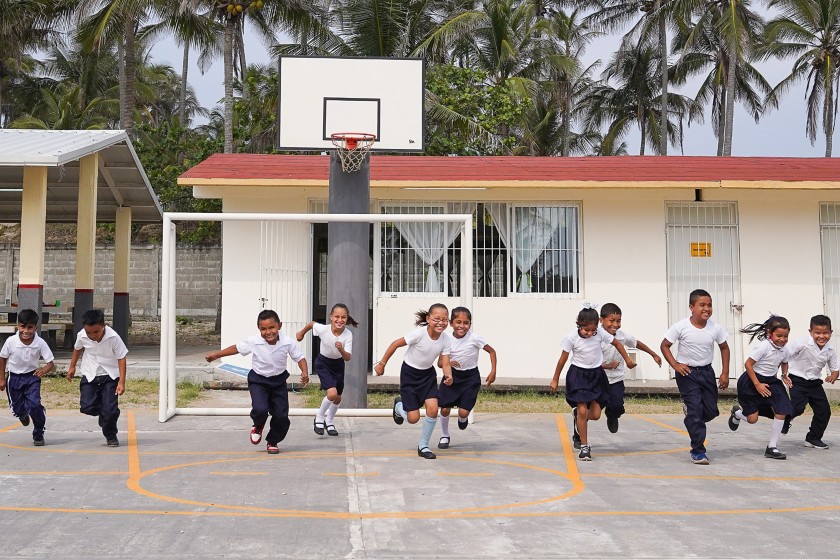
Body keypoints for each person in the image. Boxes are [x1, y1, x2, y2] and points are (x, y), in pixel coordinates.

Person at [205, 309, 309, 454]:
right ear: (259, 329)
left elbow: (300, 358)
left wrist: (304, 372)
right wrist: (216, 355)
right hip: (258, 380)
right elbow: (236, 348)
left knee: (281, 416)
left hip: (278, 381)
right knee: (260, 409)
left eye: (271, 327)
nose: (268, 332)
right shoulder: (254, 341)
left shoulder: (287, 342)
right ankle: (258, 425)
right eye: (263, 329)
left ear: (279, 325)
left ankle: (272, 441)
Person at [550, 304, 637, 461]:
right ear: (578, 324)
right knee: (583, 410)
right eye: (586, 330)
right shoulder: (571, 337)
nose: (590, 333)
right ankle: (584, 447)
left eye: (593, 330)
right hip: (578, 375)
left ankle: (579, 416)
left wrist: (628, 360)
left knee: (596, 415)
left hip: (597, 376)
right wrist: (555, 378)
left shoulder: (600, 334)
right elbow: (562, 359)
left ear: (598, 325)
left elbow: (617, 343)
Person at [374, 303, 453, 460]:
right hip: (409, 375)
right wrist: (382, 364)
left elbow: (445, 362)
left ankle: (423, 445)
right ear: (428, 319)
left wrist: (448, 375)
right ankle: (398, 406)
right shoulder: (419, 334)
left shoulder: (446, 340)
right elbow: (395, 344)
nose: (441, 322)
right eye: (437, 319)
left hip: (428, 376)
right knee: (413, 418)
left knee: (433, 408)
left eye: (445, 320)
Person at [660, 289, 730, 465]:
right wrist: (675, 364)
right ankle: (698, 451)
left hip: (706, 372)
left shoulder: (716, 328)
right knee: (696, 412)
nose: (706, 308)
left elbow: (724, 348)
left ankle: (692, 414)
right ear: (692, 307)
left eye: (709, 305)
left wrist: (725, 373)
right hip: (687, 373)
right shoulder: (681, 326)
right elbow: (665, 345)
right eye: (702, 305)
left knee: (711, 411)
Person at [728, 315, 794, 460]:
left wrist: (784, 374)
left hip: (772, 382)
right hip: (752, 381)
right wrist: (757, 384)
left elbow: (784, 361)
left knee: (782, 410)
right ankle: (737, 414)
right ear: (770, 333)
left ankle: (772, 447)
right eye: (779, 335)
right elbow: (748, 364)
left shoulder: (785, 349)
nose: (782, 339)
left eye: (786, 336)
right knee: (752, 419)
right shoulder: (764, 346)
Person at [595, 303, 662, 441]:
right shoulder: (595, 336)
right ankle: (578, 433)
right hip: (598, 378)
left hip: (616, 379)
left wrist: (653, 354)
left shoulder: (622, 336)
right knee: (590, 410)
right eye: (611, 321)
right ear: (601, 320)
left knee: (617, 406)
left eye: (618, 321)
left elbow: (637, 343)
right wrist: (606, 366)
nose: (615, 324)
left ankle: (612, 415)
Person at [434, 306, 496, 450]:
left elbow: (492, 352)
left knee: (463, 411)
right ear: (451, 323)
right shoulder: (445, 339)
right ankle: (444, 435)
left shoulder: (475, 338)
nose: (462, 326)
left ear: (470, 324)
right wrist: (448, 363)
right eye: (458, 322)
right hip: (452, 376)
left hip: (470, 378)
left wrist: (493, 371)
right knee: (444, 409)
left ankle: (463, 418)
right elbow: (439, 363)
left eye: (466, 323)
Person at [66, 309, 128, 447]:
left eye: (96, 332)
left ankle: (111, 436)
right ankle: (104, 414)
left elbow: (121, 358)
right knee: (86, 407)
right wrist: (72, 367)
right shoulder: (82, 335)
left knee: (110, 410)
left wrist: (122, 382)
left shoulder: (114, 337)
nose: (92, 336)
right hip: (90, 374)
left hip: (110, 376)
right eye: (89, 332)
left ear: (104, 326)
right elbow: (77, 349)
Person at [296, 303, 357, 437]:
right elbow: (312, 324)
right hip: (323, 363)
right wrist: (301, 333)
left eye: (343, 317)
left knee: (337, 398)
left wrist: (341, 349)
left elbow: (347, 358)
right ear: (331, 317)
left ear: (347, 319)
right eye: (336, 317)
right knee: (332, 394)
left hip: (338, 364)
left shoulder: (348, 335)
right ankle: (319, 417)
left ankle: (329, 421)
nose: (340, 320)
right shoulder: (324, 329)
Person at [0, 309, 54, 446]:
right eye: (23, 327)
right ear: (18, 326)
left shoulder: (40, 342)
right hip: (14, 378)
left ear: (36, 327)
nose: (26, 331)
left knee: (35, 405)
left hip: (32, 378)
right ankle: (22, 414)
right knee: (17, 408)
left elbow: (50, 363)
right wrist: (1, 378)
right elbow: (2, 358)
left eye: (30, 327)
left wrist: (43, 370)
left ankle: (38, 433)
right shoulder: (11, 341)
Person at [784, 315, 839, 450]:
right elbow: (784, 355)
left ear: (831, 333)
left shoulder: (830, 351)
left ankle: (813, 438)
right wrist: (784, 373)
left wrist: (833, 376)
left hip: (814, 383)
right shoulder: (801, 343)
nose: (821, 336)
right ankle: (784, 420)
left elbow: (835, 369)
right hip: (797, 380)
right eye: (817, 333)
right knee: (797, 407)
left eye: (825, 333)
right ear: (811, 332)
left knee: (824, 411)